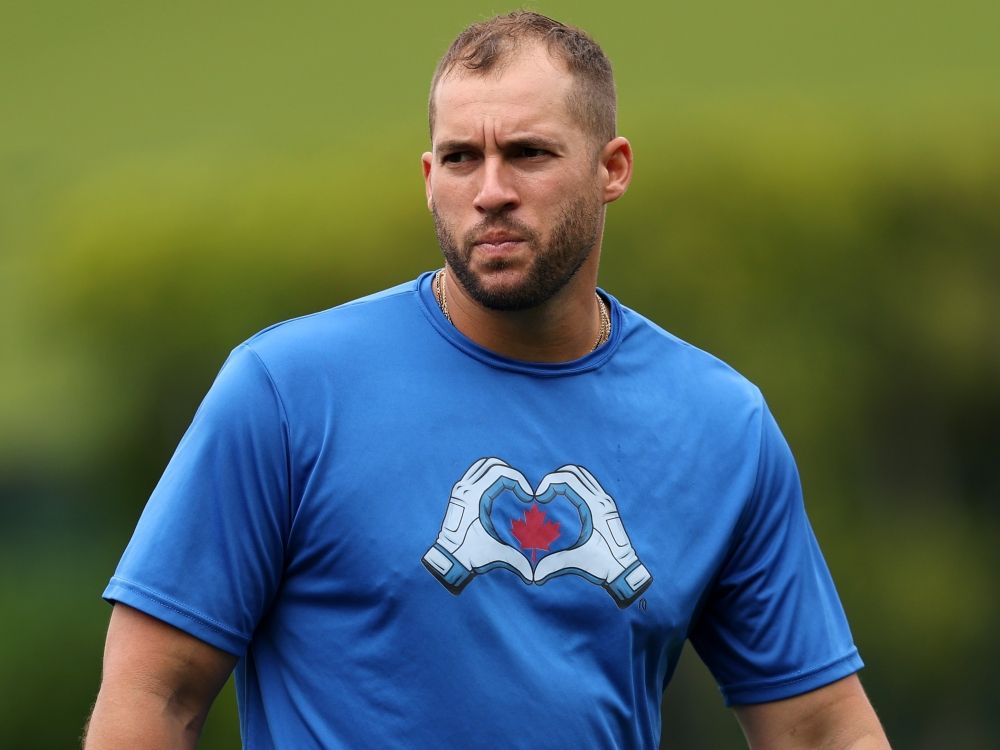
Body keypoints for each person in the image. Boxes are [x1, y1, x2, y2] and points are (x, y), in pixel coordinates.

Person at [84, 11, 891, 750]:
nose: (492, 192)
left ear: (612, 168)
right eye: (463, 158)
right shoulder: (288, 391)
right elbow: (154, 695)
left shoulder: (720, 425)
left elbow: (821, 730)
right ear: (429, 175)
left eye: (529, 154)